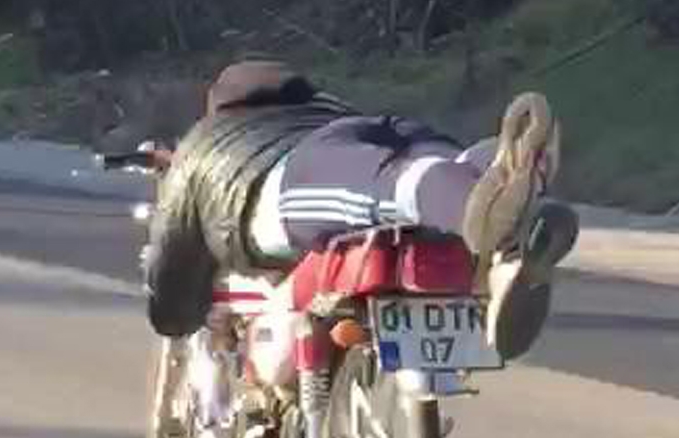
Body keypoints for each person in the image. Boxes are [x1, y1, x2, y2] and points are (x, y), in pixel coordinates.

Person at [144, 59, 579, 364]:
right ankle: (508, 205)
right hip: (375, 125)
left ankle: (487, 214)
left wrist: (173, 314)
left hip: (287, 170)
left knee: (386, 186)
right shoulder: (327, 107)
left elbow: (171, 264)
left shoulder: (207, 142)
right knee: (436, 168)